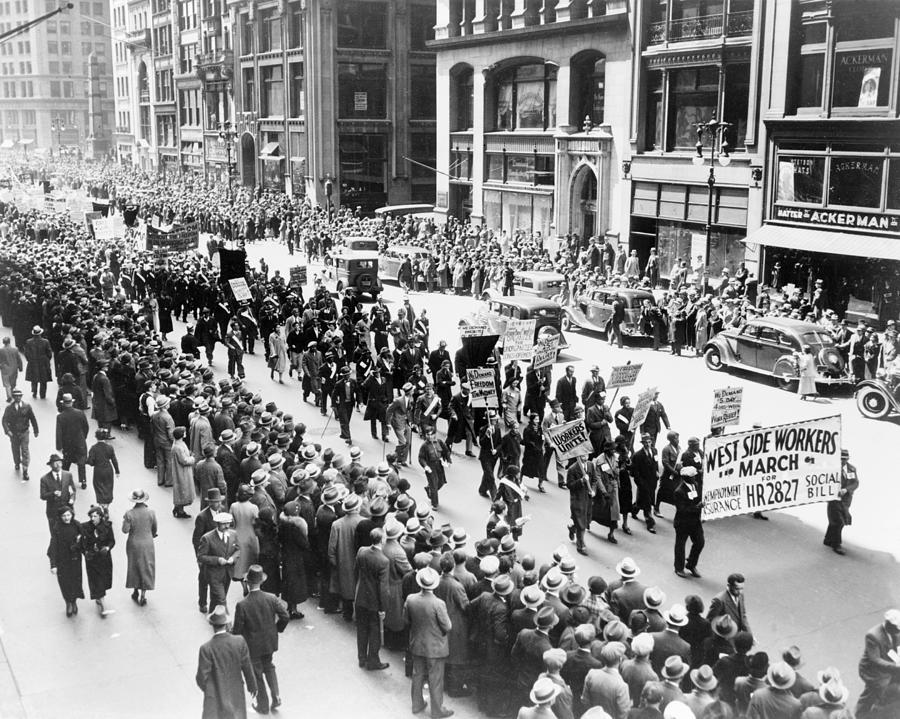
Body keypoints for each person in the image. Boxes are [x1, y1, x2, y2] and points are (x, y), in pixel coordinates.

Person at [231, 565, 290, 715]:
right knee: (269, 666)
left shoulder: (242, 605)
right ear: (261, 582)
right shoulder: (271, 598)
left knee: (256, 673)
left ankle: (263, 706)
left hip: (252, 646)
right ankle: (276, 696)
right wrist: (277, 629)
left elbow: (237, 631)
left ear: (247, 583)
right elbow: (285, 616)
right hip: (269, 642)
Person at [404, 566, 454, 718]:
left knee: (417, 674)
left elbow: (406, 620)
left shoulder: (410, 599)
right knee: (435, 678)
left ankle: (417, 704)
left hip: (417, 643)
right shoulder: (438, 603)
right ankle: (437, 710)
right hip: (435, 647)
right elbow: (448, 626)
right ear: (435, 584)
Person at [196, 605, 258, 719]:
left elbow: (201, 677)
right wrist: (252, 686)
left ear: (213, 626)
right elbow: (247, 667)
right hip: (236, 693)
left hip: (215, 698)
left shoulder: (206, 648)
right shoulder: (239, 641)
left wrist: (210, 691)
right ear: (226, 624)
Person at [354, 527, 391, 671]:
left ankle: (361, 658)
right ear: (382, 540)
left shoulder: (361, 551)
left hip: (360, 596)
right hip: (374, 601)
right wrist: (383, 608)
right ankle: (373, 660)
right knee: (374, 632)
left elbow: (356, 571)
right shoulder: (383, 561)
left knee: (361, 629)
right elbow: (383, 588)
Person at [857, 609, 900, 717]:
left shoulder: (895, 631)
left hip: (891, 667)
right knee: (872, 692)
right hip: (873, 672)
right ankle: (860, 713)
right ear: (889, 625)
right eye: (897, 629)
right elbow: (875, 660)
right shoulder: (873, 635)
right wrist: (897, 666)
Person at [197, 511, 240, 611]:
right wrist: (217, 560)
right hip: (213, 574)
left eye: (228, 523)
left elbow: (238, 549)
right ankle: (227, 625)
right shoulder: (207, 538)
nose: (226, 526)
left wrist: (233, 558)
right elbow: (201, 556)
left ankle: (213, 616)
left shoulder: (233, 534)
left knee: (217, 598)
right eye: (223, 524)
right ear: (217, 524)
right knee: (222, 600)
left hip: (228, 573)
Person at [48, 505, 84, 617]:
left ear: (72, 515)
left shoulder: (77, 525)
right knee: (64, 583)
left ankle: (74, 602)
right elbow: (53, 546)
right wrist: (53, 564)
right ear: (60, 517)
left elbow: (84, 540)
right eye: (64, 515)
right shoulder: (57, 528)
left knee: (75, 581)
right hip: (62, 560)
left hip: (75, 559)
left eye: (68, 515)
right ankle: (68, 602)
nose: (66, 518)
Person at [122, 488, 157, 606]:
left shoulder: (129, 513)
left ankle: (135, 590)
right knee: (146, 566)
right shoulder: (151, 512)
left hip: (134, 543)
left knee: (134, 566)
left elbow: (125, 530)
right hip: (147, 543)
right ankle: (143, 594)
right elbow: (154, 528)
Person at [80, 505, 115, 616]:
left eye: (95, 516)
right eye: (91, 516)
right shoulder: (85, 527)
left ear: (100, 516)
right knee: (97, 581)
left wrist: (108, 548)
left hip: (104, 558)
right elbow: (81, 543)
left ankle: (100, 598)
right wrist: (85, 552)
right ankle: (103, 607)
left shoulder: (107, 527)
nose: (93, 518)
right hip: (92, 559)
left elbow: (112, 541)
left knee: (103, 580)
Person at [824, 449, 859, 555]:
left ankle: (828, 539)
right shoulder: (831, 468)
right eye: (841, 459)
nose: (843, 461)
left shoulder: (851, 469)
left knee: (837, 520)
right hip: (834, 499)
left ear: (848, 459)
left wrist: (846, 489)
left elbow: (855, 483)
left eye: (845, 459)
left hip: (846, 500)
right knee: (839, 521)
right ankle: (836, 544)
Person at [673, 467, 704, 578]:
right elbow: (682, 509)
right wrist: (697, 508)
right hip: (683, 523)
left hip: (695, 521)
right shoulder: (679, 491)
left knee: (700, 542)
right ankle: (679, 568)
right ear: (686, 478)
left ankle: (691, 564)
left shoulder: (695, 486)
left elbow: (697, 499)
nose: (695, 478)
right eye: (693, 476)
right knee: (680, 545)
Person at [2, 387, 39, 480]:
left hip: (24, 432)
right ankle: (17, 462)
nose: (17, 398)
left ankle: (25, 470)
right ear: (13, 397)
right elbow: (4, 420)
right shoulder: (9, 408)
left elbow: (32, 418)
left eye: (19, 396)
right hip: (14, 433)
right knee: (15, 450)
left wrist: (36, 430)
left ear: (21, 396)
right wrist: (8, 431)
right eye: (16, 396)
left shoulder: (27, 406)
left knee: (25, 451)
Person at [55, 392, 89, 490]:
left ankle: (64, 481)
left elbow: (59, 433)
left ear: (63, 403)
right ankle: (83, 481)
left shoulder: (61, 416)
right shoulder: (80, 413)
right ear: (72, 402)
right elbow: (86, 427)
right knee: (81, 462)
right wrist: (83, 437)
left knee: (67, 462)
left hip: (68, 443)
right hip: (80, 442)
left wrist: (59, 446)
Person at [40, 452, 76, 532]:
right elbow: (42, 496)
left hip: (67, 510)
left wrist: (72, 499)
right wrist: (52, 493)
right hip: (53, 511)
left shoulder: (68, 475)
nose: (58, 465)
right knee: (55, 533)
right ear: (50, 465)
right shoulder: (45, 479)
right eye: (55, 463)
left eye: (59, 463)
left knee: (69, 531)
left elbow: (72, 491)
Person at [86, 428, 119, 509]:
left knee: (98, 487)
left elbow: (91, 462)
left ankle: (101, 505)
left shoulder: (94, 448)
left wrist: (88, 461)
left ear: (96, 437)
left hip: (98, 470)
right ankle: (107, 506)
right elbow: (114, 460)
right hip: (108, 469)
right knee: (108, 486)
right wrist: (117, 471)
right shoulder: (110, 447)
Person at [419, 425, 451, 508]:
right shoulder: (424, 446)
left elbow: (446, 451)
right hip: (430, 466)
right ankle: (435, 504)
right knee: (434, 485)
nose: (429, 437)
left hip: (439, 465)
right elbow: (421, 458)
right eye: (427, 435)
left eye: (431, 434)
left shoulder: (439, 442)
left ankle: (429, 489)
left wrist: (448, 460)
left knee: (441, 482)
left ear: (434, 434)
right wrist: (425, 466)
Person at [171, 426, 196, 519]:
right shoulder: (178, 447)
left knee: (182, 490)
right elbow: (184, 461)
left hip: (182, 471)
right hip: (182, 472)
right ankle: (180, 510)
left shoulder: (178, 444)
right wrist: (192, 458)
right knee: (183, 490)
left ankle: (178, 508)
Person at [386, 382, 414, 465]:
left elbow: (409, 411)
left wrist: (411, 422)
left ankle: (402, 460)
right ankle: (394, 458)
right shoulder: (398, 401)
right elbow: (389, 410)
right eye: (412, 390)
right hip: (398, 423)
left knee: (408, 442)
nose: (413, 391)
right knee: (402, 442)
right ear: (409, 391)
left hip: (406, 422)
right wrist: (388, 423)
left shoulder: (411, 398)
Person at [23, 325, 52, 399]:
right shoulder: (45, 341)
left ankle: (34, 392)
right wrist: (47, 360)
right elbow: (49, 353)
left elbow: (26, 353)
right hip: (43, 362)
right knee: (43, 379)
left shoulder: (29, 342)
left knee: (34, 378)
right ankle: (43, 394)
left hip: (33, 361)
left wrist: (29, 360)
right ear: (40, 333)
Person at [0, 335, 22, 401]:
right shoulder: (15, 349)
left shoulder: (1, 350)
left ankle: (9, 396)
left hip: (5, 369)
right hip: (14, 369)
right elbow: (19, 359)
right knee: (13, 383)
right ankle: (11, 394)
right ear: (9, 342)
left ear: (3, 342)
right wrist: (20, 367)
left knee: (7, 384)